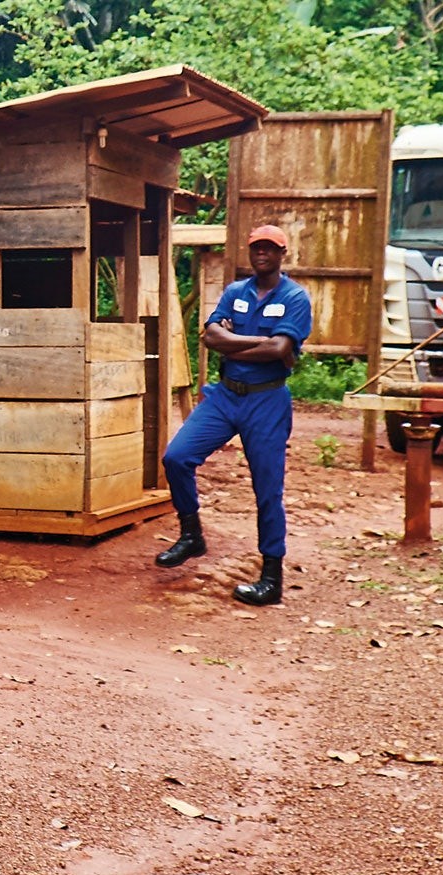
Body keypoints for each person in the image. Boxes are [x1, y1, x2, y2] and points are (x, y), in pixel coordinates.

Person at [156, 224, 312, 606]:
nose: (262, 253)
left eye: (270, 248)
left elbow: (280, 351)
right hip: (225, 396)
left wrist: (236, 343)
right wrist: (263, 342)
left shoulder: (295, 297)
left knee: (267, 489)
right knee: (176, 457)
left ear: (282, 254)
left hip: (267, 401)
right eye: (256, 247)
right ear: (249, 251)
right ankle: (192, 534)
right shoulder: (235, 292)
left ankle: (271, 578)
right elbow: (211, 338)